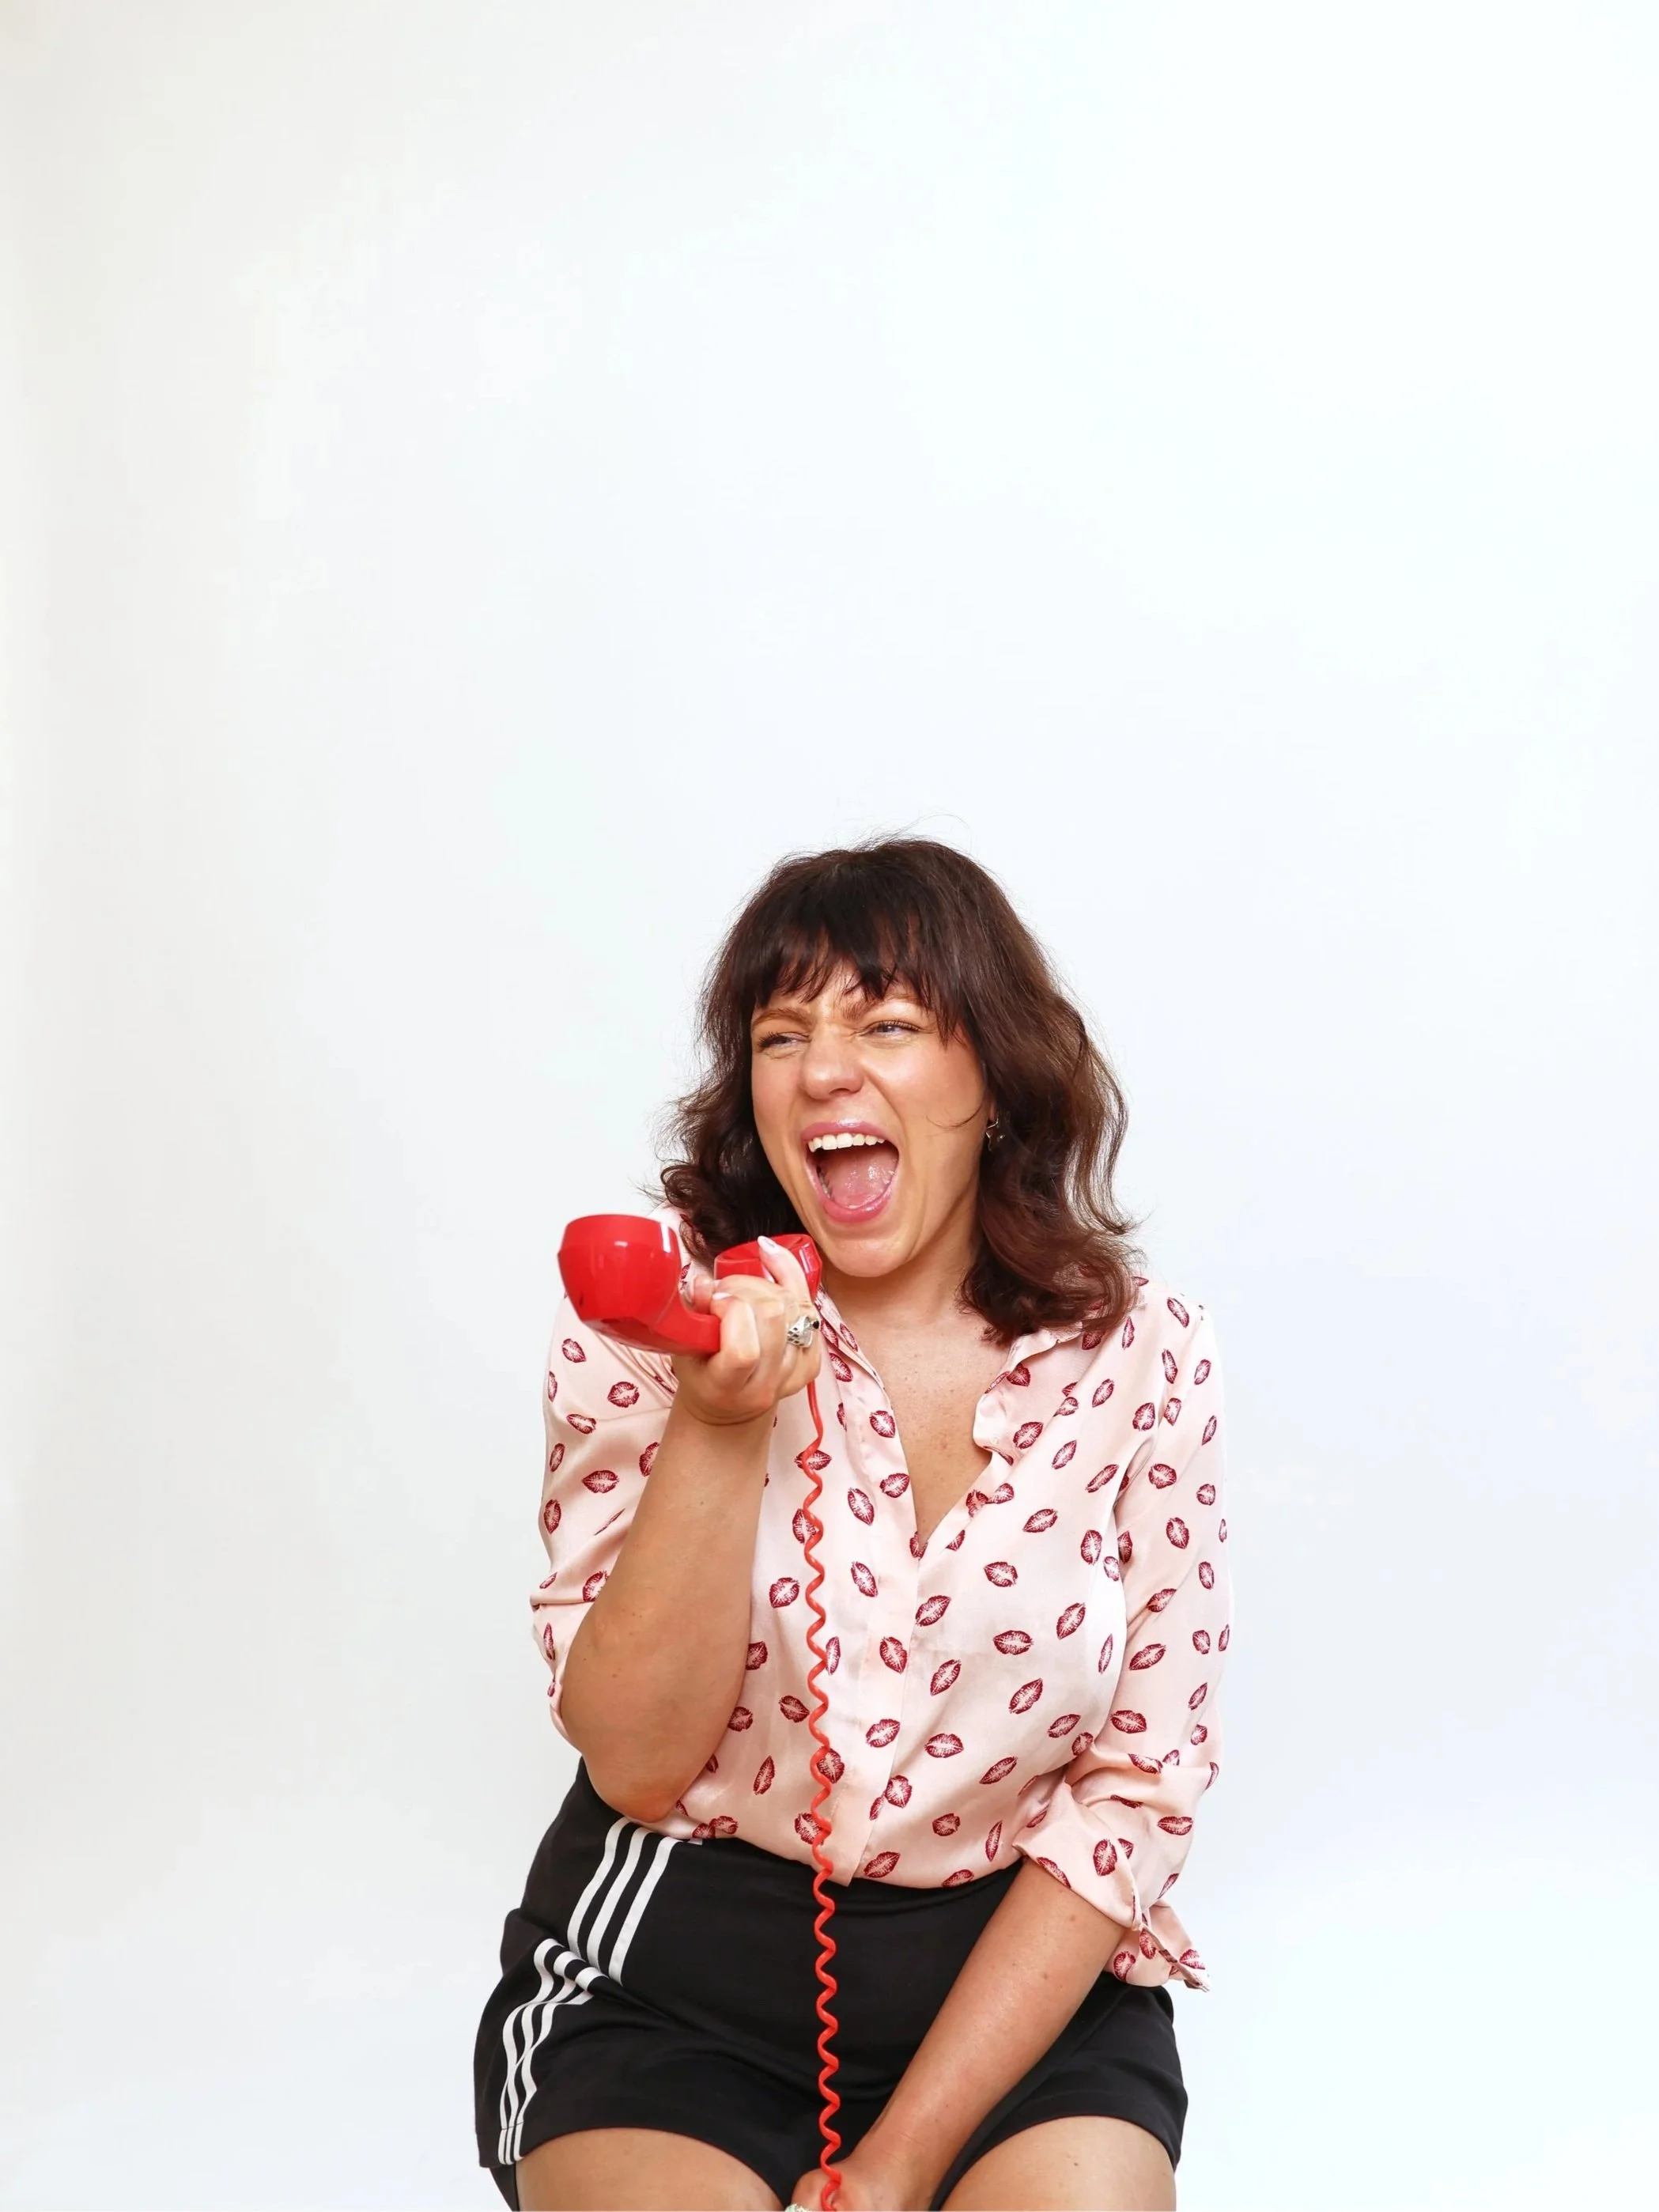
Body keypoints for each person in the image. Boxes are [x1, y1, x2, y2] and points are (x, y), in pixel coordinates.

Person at [473, 836, 1231, 2211]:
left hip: (1016, 1995)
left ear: (992, 1077)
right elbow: (635, 1761)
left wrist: (894, 2170)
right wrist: (720, 1425)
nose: (824, 1070)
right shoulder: (656, 1330)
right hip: (675, 1987)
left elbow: (1136, 1787)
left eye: (885, 1024)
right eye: (782, 1035)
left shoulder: (1142, 1353)